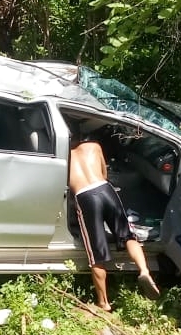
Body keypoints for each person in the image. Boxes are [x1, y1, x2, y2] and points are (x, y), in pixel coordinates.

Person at [67, 125, 161, 311]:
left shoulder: (65, 159)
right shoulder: (94, 146)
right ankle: (144, 271)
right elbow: (104, 173)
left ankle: (103, 303)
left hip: (85, 197)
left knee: (97, 254)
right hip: (105, 189)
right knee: (128, 236)